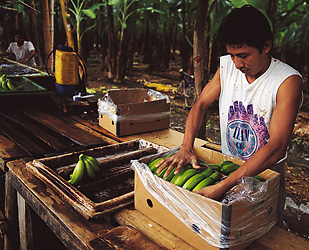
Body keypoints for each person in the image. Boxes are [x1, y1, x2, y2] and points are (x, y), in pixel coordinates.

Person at [156, 5, 303, 226]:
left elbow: (277, 147)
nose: (237, 64)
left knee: (264, 232)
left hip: (265, 175)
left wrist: (223, 187)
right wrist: (186, 147)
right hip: (227, 167)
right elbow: (200, 105)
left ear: (266, 46)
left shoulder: (287, 81)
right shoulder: (227, 67)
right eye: (232, 55)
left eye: (243, 56)